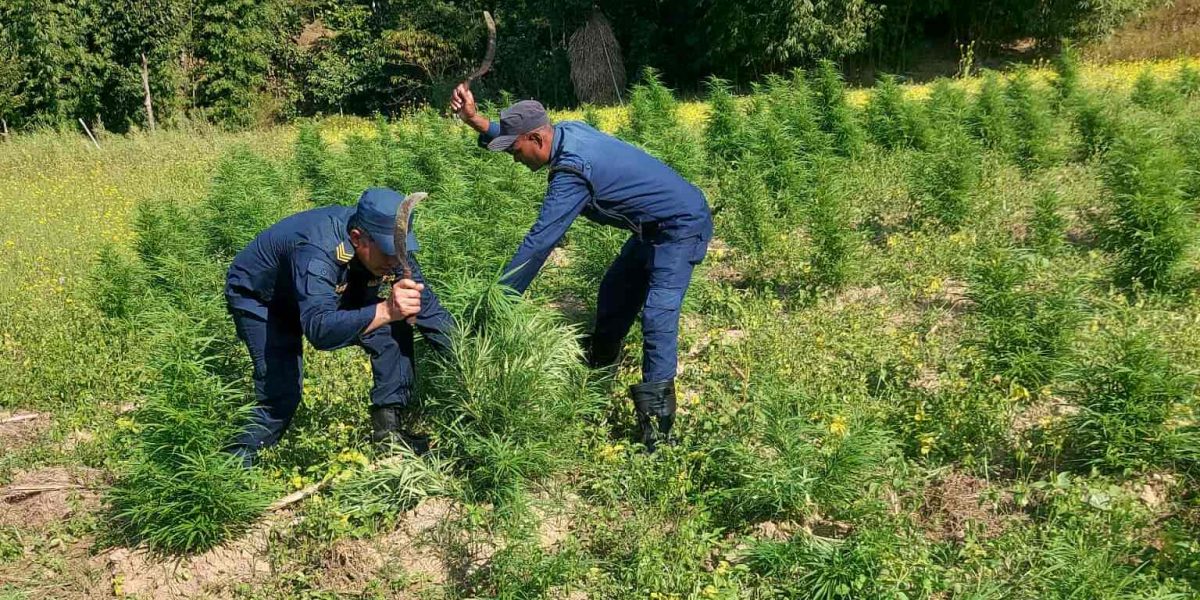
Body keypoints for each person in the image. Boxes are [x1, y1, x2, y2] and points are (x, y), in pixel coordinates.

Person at [449, 85, 712, 451]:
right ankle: (596, 378)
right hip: (650, 227)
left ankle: (658, 430)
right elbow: (516, 134)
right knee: (615, 291)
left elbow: (540, 242)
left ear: (537, 139)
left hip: (680, 226)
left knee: (657, 316)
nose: (514, 158)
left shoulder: (572, 171)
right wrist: (475, 120)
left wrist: (500, 298)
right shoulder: (565, 132)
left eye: (515, 150)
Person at [224, 188, 453, 465]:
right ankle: (232, 467)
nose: (395, 261)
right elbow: (320, 330)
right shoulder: (318, 250)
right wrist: (386, 309)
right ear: (357, 238)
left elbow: (429, 311)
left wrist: (470, 363)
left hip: (325, 292)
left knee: (391, 327)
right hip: (265, 300)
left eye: (400, 251)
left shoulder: (392, 251)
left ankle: (389, 436)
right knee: (281, 394)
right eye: (388, 252)